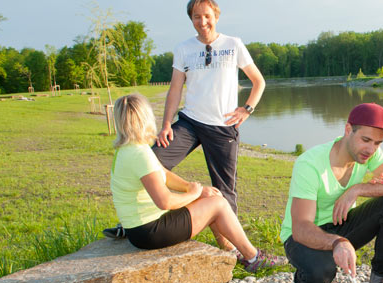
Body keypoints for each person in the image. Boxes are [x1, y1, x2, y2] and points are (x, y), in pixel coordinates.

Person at [106, 0, 266, 263]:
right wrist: (167, 123)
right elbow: (176, 88)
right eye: (196, 17)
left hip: (222, 126)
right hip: (190, 122)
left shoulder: (233, 45)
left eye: (206, 15)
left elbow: (258, 82)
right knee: (152, 160)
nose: (202, 22)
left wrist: (246, 110)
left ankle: (230, 250)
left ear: (216, 15)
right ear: (190, 19)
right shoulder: (183, 48)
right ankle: (133, 222)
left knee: (225, 190)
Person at [110, 93, 285, 272]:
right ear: (145, 118)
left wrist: (195, 190)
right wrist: (192, 194)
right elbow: (165, 202)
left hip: (139, 230)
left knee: (212, 198)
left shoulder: (128, 150)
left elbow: (163, 173)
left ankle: (233, 251)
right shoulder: (140, 155)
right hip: (150, 232)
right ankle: (253, 257)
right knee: (217, 204)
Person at [281, 103, 383, 283]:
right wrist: (338, 242)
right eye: (366, 140)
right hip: (302, 236)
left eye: (378, 143)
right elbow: (300, 228)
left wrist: (357, 189)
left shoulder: (367, 155)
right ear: (347, 130)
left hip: (340, 223)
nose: (371, 149)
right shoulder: (310, 164)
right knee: (322, 272)